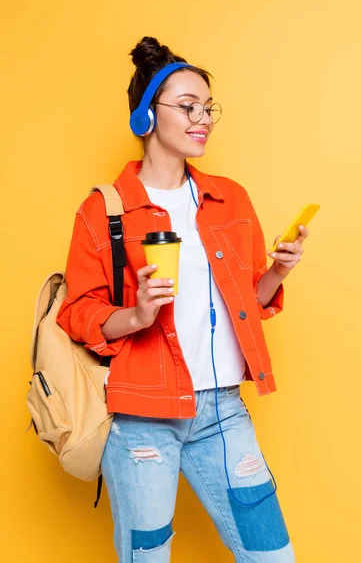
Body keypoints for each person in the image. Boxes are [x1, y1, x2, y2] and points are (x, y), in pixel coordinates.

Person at [57, 36, 307, 563]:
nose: (203, 119)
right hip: (143, 416)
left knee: (272, 555)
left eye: (207, 107)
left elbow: (251, 300)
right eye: (187, 106)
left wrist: (277, 271)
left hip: (223, 411)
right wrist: (138, 313)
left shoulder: (228, 198)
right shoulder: (104, 210)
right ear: (146, 117)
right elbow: (78, 313)